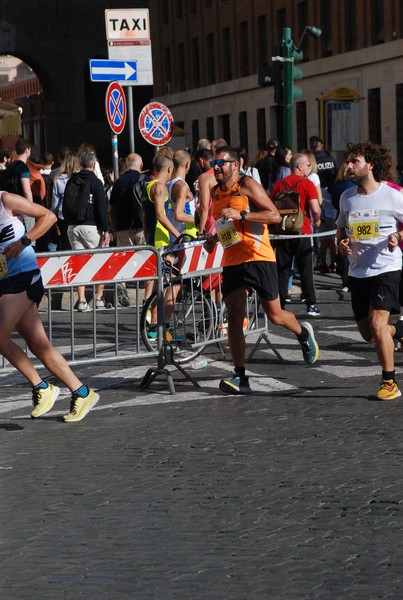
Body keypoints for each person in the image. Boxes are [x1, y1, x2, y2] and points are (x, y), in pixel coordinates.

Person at [204, 146, 319, 395]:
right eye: (214, 163)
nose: (216, 168)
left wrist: (242, 214)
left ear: (235, 165)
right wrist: (214, 238)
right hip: (233, 259)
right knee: (234, 316)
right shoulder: (215, 192)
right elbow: (225, 224)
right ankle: (240, 376)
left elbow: (274, 215)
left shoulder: (247, 185)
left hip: (259, 256)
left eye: (221, 163)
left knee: (275, 314)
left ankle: (302, 333)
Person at [0, 189, 99, 422]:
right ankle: (82, 392)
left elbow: (49, 217)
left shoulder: (6, 200)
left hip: (24, 276)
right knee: (39, 345)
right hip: (5, 282)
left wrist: (25, 240)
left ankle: (41, 387)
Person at [336, 141, 403, 400]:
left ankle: (390, 382)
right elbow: (342, 229)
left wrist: (397, 235)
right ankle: (399, 331)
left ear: (370, 165)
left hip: (387, 267)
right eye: (348, 161)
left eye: (355, 161)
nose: (349, 166)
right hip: (357, 271)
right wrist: (341, 243)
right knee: (369, 334)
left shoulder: (393, 195)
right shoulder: (347, 197)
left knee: (377, 324)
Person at [271, 153, 322, 316]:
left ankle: (280, 303)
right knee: (305, 269)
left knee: (283, 269)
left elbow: (271, 207)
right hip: (303, 230)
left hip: (283, 231)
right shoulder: (307, 184)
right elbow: (315, 208)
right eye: (307, 164)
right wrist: (317, 220)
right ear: (300, 166)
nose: (309, 167)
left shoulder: (279, 184)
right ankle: (310, 304)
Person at [65, 151, 111, 311]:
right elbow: (101, 208)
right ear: (93, 164)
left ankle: (82, 300)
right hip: (92, 227)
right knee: (100, 262)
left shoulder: (72, 180)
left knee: (79, 263)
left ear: (80, 164)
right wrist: (105, 229)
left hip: (73, 227)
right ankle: (98, 298)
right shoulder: (96, 182)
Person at [109, 152, 148, 307]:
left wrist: (114, 229)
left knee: (122, 261)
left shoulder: (118, 183)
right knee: (147, 261)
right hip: (142, 226)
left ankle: (122, 285)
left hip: (123, 227)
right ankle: (147, 296)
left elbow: (111, 210)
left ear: (126, 166)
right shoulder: (146, 180)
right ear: (141, 166)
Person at [165, 149, 198, 243]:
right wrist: (200, 220)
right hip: (187, 236)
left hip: (175, 235)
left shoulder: (168, 183)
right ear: (187, 164)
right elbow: (178, 215)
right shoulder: (182, 186)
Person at [50, 150, 79, 251]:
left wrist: (52, 215)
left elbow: (55, 203)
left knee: (66, 243)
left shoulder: (58, 179)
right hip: (79, 214)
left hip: (63, 216)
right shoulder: (81, 179)